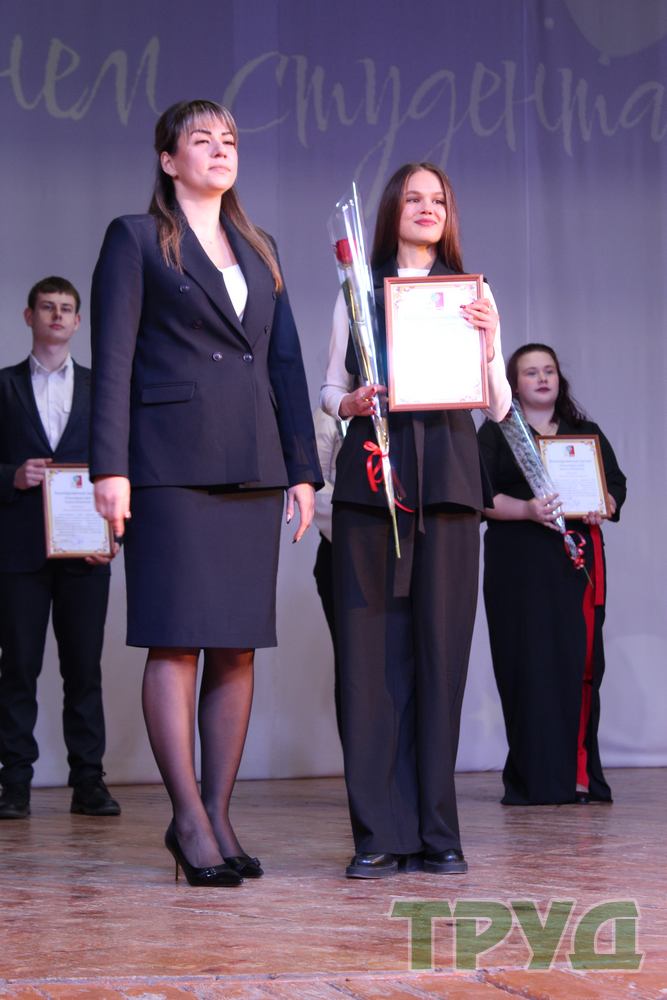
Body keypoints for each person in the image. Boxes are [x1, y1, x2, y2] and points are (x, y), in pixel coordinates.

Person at [90, 99, 321, 887]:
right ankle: (187, 819)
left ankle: (218, 814)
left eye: (229, 139)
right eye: (202, 139)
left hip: (254, 463)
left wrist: (301, 469)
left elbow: (283, 362)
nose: (220, 150)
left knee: (235, 642)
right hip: (169, 465)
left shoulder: (261, 246)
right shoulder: (134, 238)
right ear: (168, 159)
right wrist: (109, 468)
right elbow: (113, 357)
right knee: (177, 637)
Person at [320, 162, 511, 878]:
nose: (427, 208)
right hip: (373, 486)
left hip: (451, 487)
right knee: (370, 663)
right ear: (392, 210)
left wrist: (489, 340)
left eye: (438, 199)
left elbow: (497, 406)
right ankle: (378, 833)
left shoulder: (473, 293)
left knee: (440, 659)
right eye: (413, 197)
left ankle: (437, 831)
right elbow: (329, 389)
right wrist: (350, 403)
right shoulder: (358, 290)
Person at [478, 344, 626, 806]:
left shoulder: (585, 433)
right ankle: (534, 780)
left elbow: (614, 486)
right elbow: (477, 496)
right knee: (526, 667)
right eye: (530, 373)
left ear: (560, 379)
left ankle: (579, 778)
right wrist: (527, 509)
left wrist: (605, 504)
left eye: (549, 371)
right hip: (517, 567)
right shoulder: (498, 432)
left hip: (575, 564)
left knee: (579, 665)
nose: (542, 379)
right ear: (512, 383)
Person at [0, 276, 120, 820]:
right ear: (29, 316)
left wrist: (115, 535)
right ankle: (14, 785)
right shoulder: (3, 387)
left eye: (65, 308)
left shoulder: (102, 389)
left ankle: (89, 783)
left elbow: (122, 466)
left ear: (77, 322)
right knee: (18, 669)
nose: (56, 315)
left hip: (85, 550)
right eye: (47, 307)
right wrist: (11, 475)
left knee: (84, 670)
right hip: (18, 553)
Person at [312, 407, 347, 739]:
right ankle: (360, 759)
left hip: (399, 553)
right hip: (343, 552)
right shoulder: (331, 412)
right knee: (352, 663)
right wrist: (358, 531)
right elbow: (315, 483)